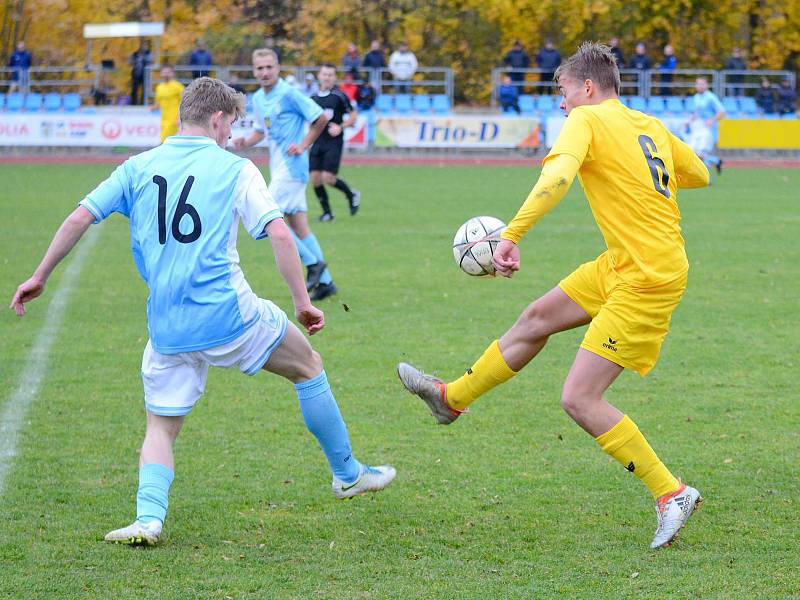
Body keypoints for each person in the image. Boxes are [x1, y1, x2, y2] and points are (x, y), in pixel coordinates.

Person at [10, 76, 395, 546]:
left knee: (161, 427)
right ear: (217, 119)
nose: (232, 135)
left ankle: (148, 519)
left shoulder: (137, 166)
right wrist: (302, 302)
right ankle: (348, 474)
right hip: (230, 316)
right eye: (231, 125)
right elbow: (278, 233)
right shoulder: (236, 168)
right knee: (309, 367)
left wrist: (40, 275)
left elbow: (80, 216)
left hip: (168, 325)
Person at [398, 42, 708, 550]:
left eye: (563, 91)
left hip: (647, 276)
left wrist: (512, 235)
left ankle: (670, 492)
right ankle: (451, 398)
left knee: (579, 398)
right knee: (537, 317)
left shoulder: (585, 122)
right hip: (624, 262)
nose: (560, 103)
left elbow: (557, 176)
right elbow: (698, 172)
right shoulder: (646, 123)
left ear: (587, 87)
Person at [232, 49, 338, 302]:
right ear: (254, 71)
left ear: (278, 68)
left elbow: (320, 118)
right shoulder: (257, 98)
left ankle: (313, 264)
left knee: (268, 217)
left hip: (292, 168)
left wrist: (303, 145)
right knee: (299, 226)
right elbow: (261, 131)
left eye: (269, 67)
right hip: (279, 166)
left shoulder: (289, 94)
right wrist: (246, 141)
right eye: (260, 68)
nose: (265, 72)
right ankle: (326, 283)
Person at [309, 64, 361, 223]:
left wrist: (340, 127)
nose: (327, 77)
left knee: (328, 178)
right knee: (315, 179)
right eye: (324, 74)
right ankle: (327, 213)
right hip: (317, 141)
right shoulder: (312, 99)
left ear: (334, 77)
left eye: (330, 75)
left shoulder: (339, 96)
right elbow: (310, 121)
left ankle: (351, 195)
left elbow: (353, 116)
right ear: (319, 76)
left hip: (333, 142)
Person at [690, 76, 725, 175]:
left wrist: (712, 120)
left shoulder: (711, 97)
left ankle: (707, 177)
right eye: (697, 84)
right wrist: (689, 121)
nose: (699, 86)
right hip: (699, 129)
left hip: (710, 130)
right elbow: (696, 113)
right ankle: (716, 162)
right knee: (697, 152)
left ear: (706, 85)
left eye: (702, 84)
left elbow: (722, 112)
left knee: (701, 153)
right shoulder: (696, 97)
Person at [150, 65, 185, 143]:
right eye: (164, 72)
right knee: (166, 140)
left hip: (174, 119)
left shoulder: (178, 86)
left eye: (168, 72)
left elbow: (185, 101)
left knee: (167, 141)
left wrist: (180, 117)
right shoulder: (159, 87)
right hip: (163, 119)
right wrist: (153, 107)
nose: (165, 74)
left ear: (172, 74)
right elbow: (158, 103)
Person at [129, 40, 152, 105]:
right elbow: (130, 62)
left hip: (145, 74)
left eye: (145, 45)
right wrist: (135, 62)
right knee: (134, 89)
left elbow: (150, 61)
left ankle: (143, 103)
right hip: (136, 73)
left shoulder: (148, 53)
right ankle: (133, 103)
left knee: (144, 89)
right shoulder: (135, 54)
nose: (144, 47)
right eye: (143, 45)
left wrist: (144, 60)